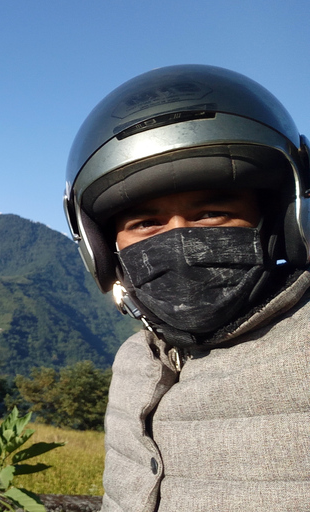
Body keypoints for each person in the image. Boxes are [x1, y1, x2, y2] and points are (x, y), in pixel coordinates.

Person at [63, 64, 310, 511]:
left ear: (279, 220)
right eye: (146, 223)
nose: (179, 240)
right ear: (104, 249)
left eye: (211, 213)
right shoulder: (133, 362)